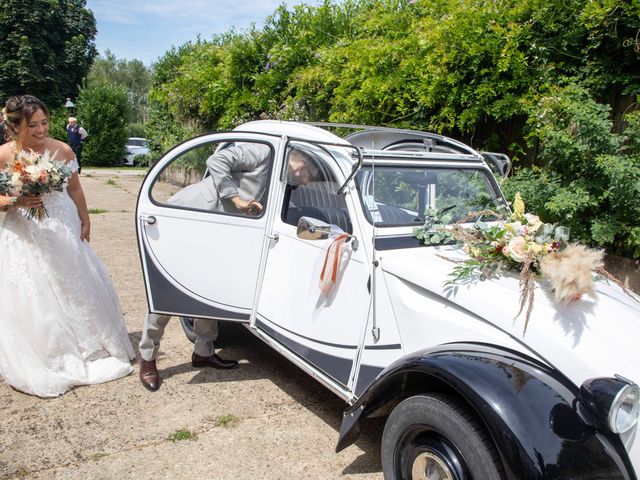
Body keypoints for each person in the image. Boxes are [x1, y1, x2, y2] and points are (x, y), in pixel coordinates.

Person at [138, 143, 318, 392]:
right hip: (194, 214)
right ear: (301, 163)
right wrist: (235, 198)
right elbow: (216, 160)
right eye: (308, 175)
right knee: (171, 288)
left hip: (225, 230)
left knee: (212, 288)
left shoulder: (281, 177)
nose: (306, 182)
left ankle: (203, 351)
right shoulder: (263, 152)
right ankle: (147, 357)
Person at [0, 95, 135, 397]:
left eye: (44, 122)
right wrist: (16, 200)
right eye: (32, 124)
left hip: (62, 224)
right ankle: (51, 351)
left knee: (74, 282)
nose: (40, 129)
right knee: (34, 288)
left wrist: (85, 220)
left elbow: (74, 187)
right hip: (23, 229)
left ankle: (90, 344)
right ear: (15, 125)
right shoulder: (4, 155)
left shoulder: (61, 149)